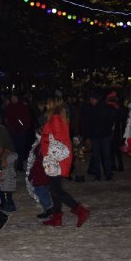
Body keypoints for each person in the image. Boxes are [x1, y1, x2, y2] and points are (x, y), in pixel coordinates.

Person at [41, 96, 90, 227]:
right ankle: (57, 217)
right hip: (54, 156)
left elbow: (57, 137)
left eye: (48, 102)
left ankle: (80, 210)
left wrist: (43, 135)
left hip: (55, 157)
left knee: (56, 189)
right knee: (54, 188)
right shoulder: (56, 117)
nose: (46, 104)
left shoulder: (56, 118)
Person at [26, 131, 53, 218]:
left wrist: (32, 174)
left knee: (40, 192)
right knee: (43, 192)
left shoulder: (42, 147)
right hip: (43, 174)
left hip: (41, 175)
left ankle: (49, 209)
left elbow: (38, 165)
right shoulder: (41, 146)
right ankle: (47, 210)